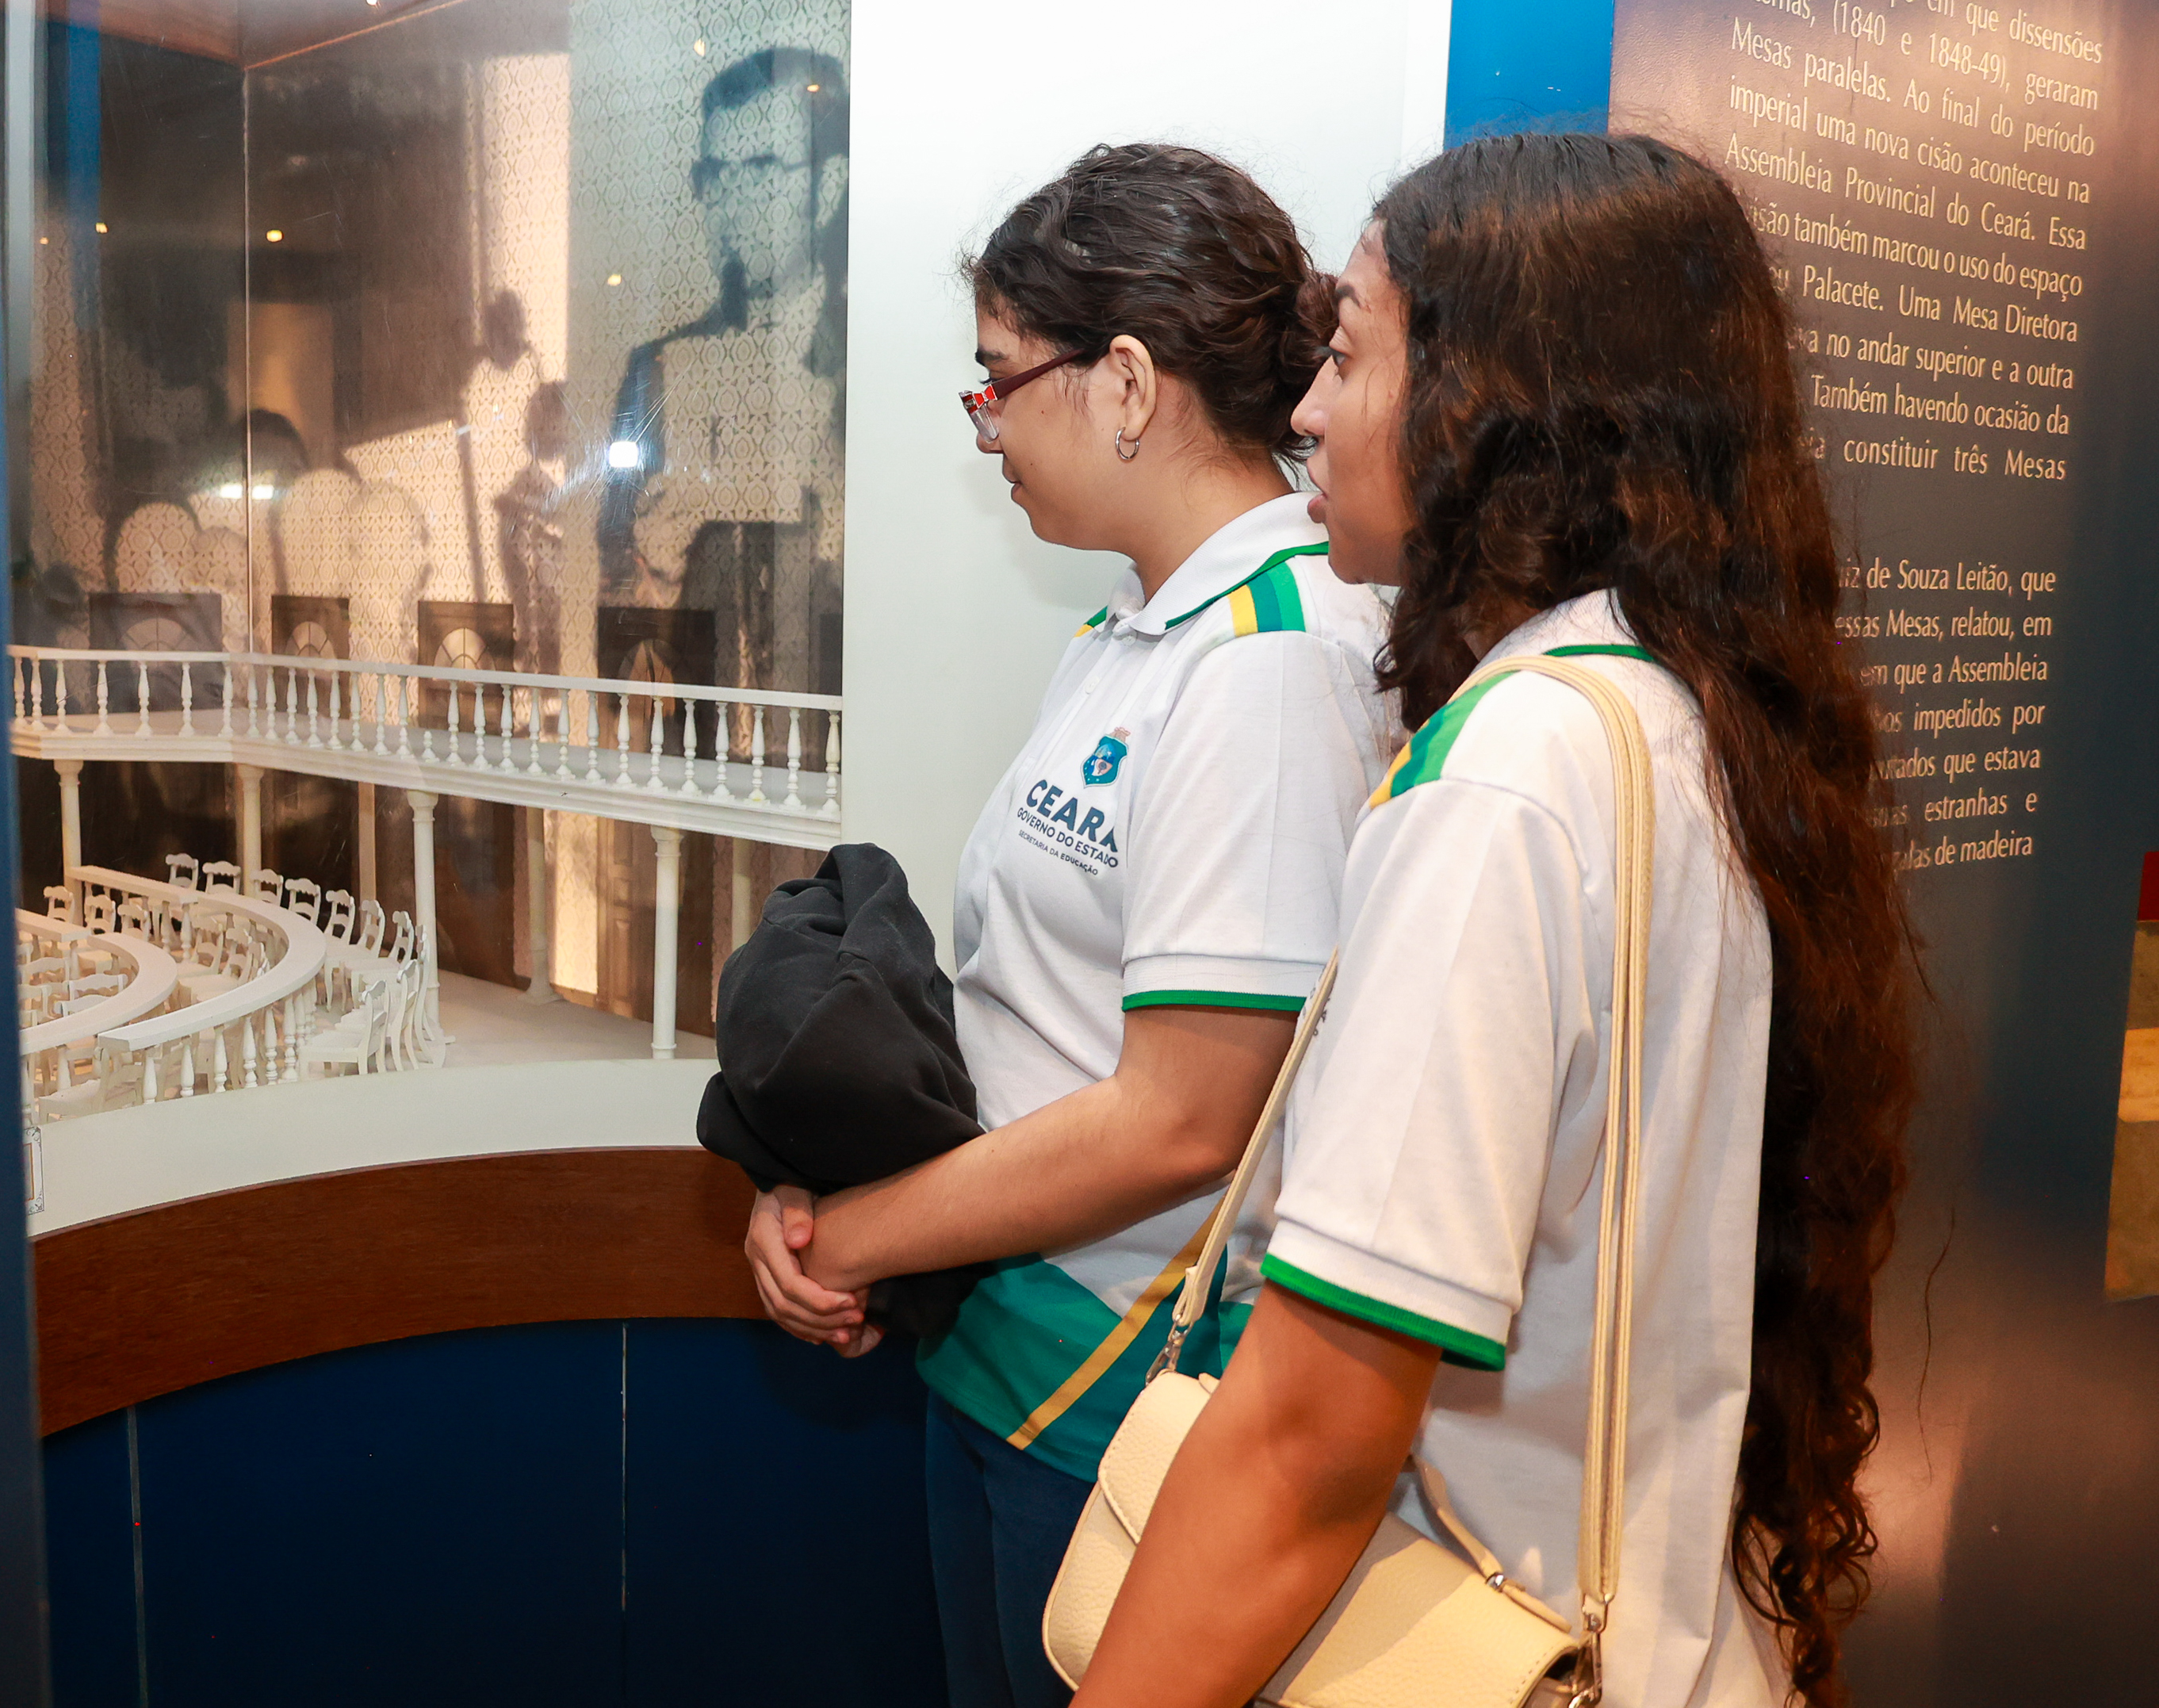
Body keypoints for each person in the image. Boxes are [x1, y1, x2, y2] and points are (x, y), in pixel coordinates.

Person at [1069, 135, 1916, 1708]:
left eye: (1347, 354)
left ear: (1496, 403)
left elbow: (1312, 1433)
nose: (1307, 410)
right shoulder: (1678, 717)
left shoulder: (1504, 775)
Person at [741, 144, 1395, 1708]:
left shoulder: (1271, 657)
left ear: (1126, 383)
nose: (987, 430)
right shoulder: (1134, 627)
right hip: (1003, 1335)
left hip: (1121, 1390)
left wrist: (851, 1239)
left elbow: (1186, 1117)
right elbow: (1039, 1009)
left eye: (998, 382)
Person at [596, 45, 849, 695]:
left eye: (762, 171)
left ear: (827, 189)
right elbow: (615, 590)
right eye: (716, 177)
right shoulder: (656, 370)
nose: (733, 205)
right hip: (697, 728)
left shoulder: (865, 371)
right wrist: (653, 568)